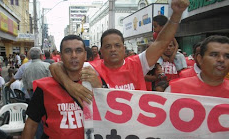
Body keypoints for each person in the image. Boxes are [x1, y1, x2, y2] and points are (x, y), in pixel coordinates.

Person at [50, 0, 190, 106]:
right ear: (101, 51)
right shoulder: (92, 68)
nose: (113, 49)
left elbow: (161, 43)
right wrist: (70, 85)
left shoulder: (138, 63)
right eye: (108, 46)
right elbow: (55, 67)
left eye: (117, 45)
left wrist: (177, 14)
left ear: (124, 48)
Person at [5, 35, 100, 139]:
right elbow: (30, 125)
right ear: (60, 56)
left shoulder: (96, 83)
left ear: (85, 55)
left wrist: (99, 87)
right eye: (68, 51)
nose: (74, 55)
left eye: (78, 50)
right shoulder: (45, 88)